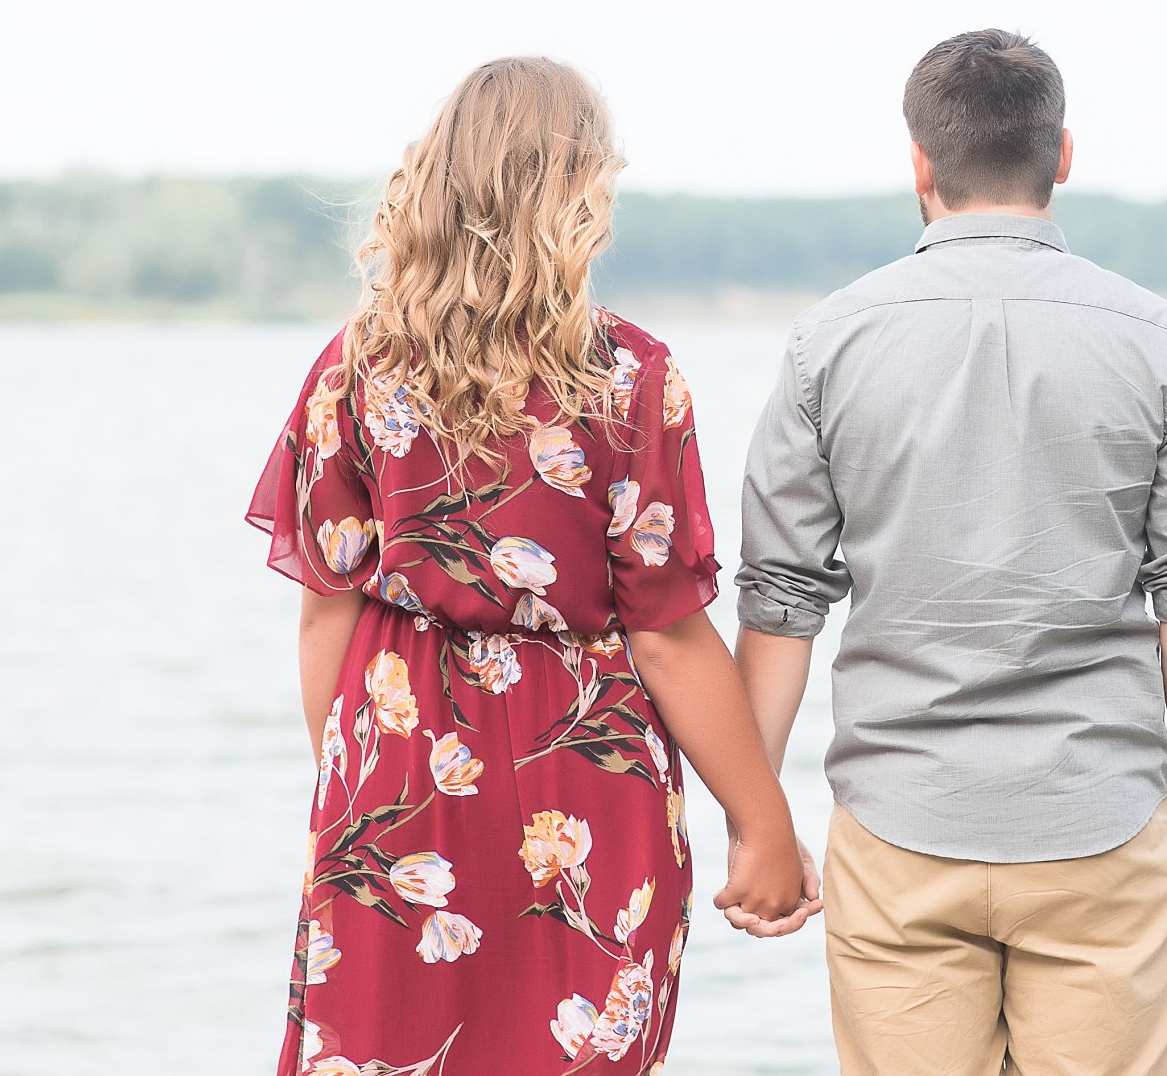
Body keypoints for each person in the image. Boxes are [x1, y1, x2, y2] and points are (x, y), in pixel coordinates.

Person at [245, 57, 810, 1076]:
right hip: (588, 778)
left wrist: (351, 783)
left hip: (401, 765)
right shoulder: (630, 375)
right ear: (579, 195)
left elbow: (324, 612)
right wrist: (760, 821)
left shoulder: (355, 366)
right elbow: (668, 632)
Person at [732, 30, 1167, 1075]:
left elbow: (779, 599)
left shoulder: (826, 343)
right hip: (1100, 820)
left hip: (896, 821)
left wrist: (758, 821)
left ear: (918, 163)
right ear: (1061, 158)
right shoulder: (1161, 343)